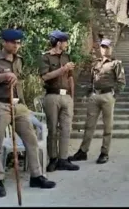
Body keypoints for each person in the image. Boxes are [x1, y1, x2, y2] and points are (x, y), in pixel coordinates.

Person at [0, 29, 56, 198]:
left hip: (19, 106)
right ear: (4, 43)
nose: (16, 46)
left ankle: (36, 176)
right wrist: (5, 75)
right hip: (1, 105)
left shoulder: (19, 60)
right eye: (13, 42)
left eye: (18, 43)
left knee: (31, 140)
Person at [69, 38, 126, 164]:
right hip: (95, 96)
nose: (104, 49)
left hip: (107, 96)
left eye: (107, 47)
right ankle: (83, 151)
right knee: (89, 125)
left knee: (108, 126)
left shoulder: (116, 63)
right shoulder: (96, 63)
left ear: (111, 48)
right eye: (103, 47)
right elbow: (92, 80)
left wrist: (114, 95)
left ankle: (104, 153)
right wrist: (88, 93)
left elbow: (121, 81)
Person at [39, 30, 79, 172]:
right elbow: (45, 76)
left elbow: (70, 78)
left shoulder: (67, 56)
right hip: (52, 96)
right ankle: (53, 159)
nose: (67, 44)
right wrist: (62, 69)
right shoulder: (45, 57)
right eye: (65, 42)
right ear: (59, 43)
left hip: (66, 97)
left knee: (66, 129)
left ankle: (63, 159)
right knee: (52, 129)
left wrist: (72, 98)